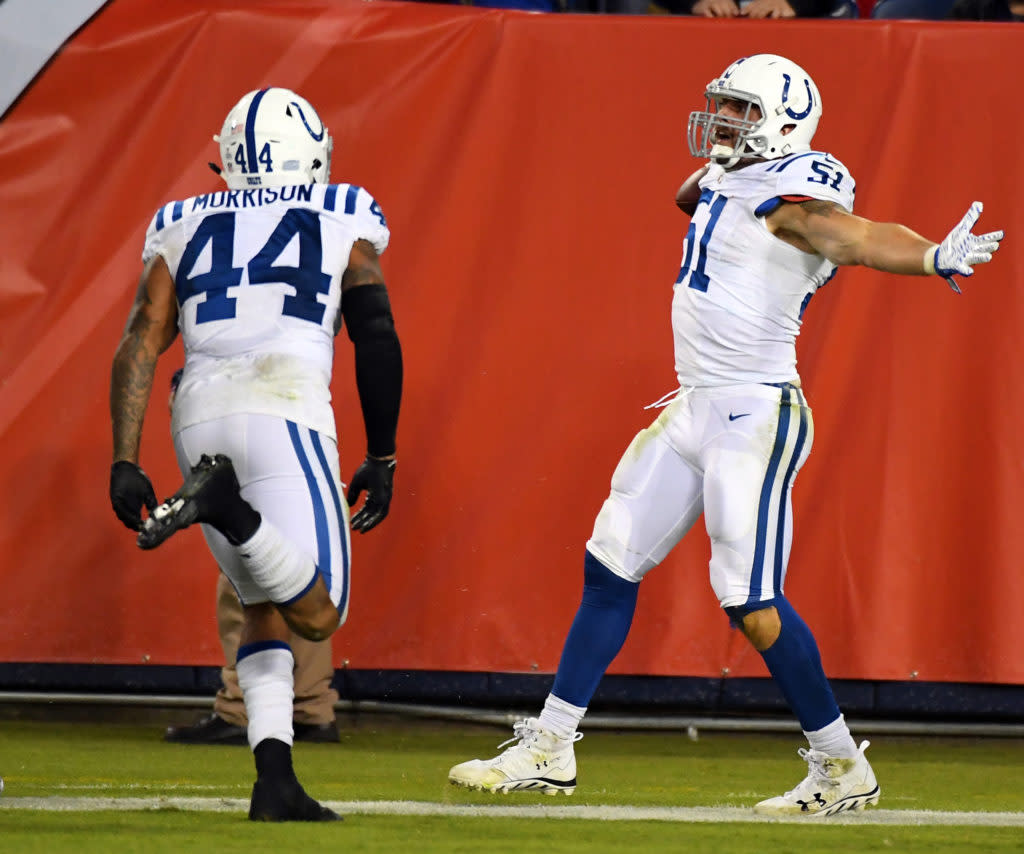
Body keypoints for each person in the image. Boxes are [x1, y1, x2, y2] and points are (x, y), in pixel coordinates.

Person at [448, 53, 1002, 816]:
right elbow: (699, 198)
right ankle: (550, 745)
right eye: (724, 106)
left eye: (740, 110)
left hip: (755, 410)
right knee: (610, 561)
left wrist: (931, 254)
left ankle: (841, 766)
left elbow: (848, 236)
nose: (723, 121)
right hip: (693, 405)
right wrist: (724, 170)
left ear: (781, 122)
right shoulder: (732, 177)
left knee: (749, 602)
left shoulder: (790, 196)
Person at [109, 86, 403, 821]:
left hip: (196, 413)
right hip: (285, 406)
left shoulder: (181, 221)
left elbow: (143, 335)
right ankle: (227, 508)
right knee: (318, 612)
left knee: (260, 605)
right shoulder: (344, 214)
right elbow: (375, 332)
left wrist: (124, 456)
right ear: (308, 153)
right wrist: (384, 454)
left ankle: (275, 782)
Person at [162, 369, 340, 747]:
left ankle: (242, 707)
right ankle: (311, 706)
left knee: (246, 574)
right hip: (295, 420)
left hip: (248, 407)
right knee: (300, 574)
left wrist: (186, 390)